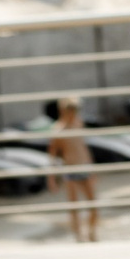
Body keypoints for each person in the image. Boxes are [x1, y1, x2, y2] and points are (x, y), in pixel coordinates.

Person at [50, 96, 99, 243]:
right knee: (74, 206)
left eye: (75, 110)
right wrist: (51, 179)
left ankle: (91, 232)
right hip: (70, 169)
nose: (74, 113)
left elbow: (84, 148)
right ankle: (78, 236)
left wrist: (92, 168)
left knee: (93, 204)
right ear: (63, 111)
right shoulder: (58, 130)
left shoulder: (79, 124)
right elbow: (53, 155)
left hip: (84, 167)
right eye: (71, 110)